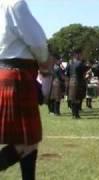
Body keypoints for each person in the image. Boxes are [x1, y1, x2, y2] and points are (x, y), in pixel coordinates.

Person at [0, 0, 51, 179]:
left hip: (4, 74)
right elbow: (38, 42)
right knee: (28, 141)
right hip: (17, 77)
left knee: (28, 141)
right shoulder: (14, 3)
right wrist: (44, 62)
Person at [66, 48, 87, 119]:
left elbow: (67, 74)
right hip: (78, 82)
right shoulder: (80, 63)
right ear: (77, 55)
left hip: (71, 82)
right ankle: (76, 114)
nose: (81, 56)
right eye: (81, 54)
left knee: (72, 98)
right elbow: (84, 72)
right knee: (78, 98)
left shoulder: (69, 63)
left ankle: (73, 114)